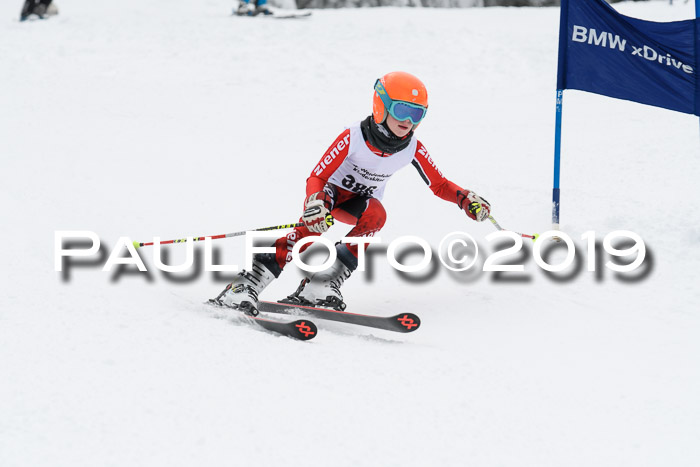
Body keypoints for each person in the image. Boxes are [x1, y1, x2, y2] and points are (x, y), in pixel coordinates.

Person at [212, 71, 491, 315]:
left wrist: (465, 199)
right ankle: (246, 284)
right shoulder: (354, 136)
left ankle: (321, 283)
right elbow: (317, 175)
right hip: (328, 195)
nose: (408, 120)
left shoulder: (412, 148)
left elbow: (439, 184)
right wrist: (315, 203)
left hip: (358, 204)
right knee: (307, 236)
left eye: (417, 113)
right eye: (401, 110)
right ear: (381, 105)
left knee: (377, 216)